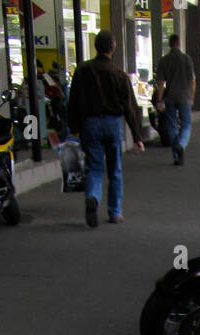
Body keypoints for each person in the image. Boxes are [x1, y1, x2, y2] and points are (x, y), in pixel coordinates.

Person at [67, 30, 144, 226]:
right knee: (115, 169)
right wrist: (137, 137)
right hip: (112, 124)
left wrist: (73, 127)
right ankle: (114, 212)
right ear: (113, 47)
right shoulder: (118, 74)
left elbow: (73, 101)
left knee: (94, 166)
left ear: (95, 46)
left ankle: (93, 196)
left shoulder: (82, 71)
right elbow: (130, 107)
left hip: (89, 123)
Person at [154, 33, 195, 166]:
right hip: (185, 97)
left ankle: (176, 156)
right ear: (179, 44)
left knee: (171, 125)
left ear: (169, 44)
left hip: (170, 97)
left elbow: (161, 83)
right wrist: (192, 97)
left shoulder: (164, 60)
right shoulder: (187, 59)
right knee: (186, 125)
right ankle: (181, 145)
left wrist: (159, 100)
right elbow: (193, 81)